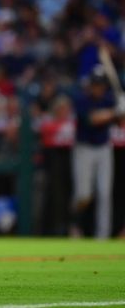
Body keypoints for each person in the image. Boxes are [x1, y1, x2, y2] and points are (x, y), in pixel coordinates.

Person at [69, 65, 119, 239]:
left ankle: (102, 236)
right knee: (83, 194)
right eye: (95, 84)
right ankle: (75, 225)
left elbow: (120, 123)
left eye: (101, 85)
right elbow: (92, 119)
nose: (98, 88)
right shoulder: (81, 100)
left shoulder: (109, 99)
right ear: (90, 85)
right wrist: (115, 111)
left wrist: (121, 108)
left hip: (104, 148)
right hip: (84, 149)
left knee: (104, 193)